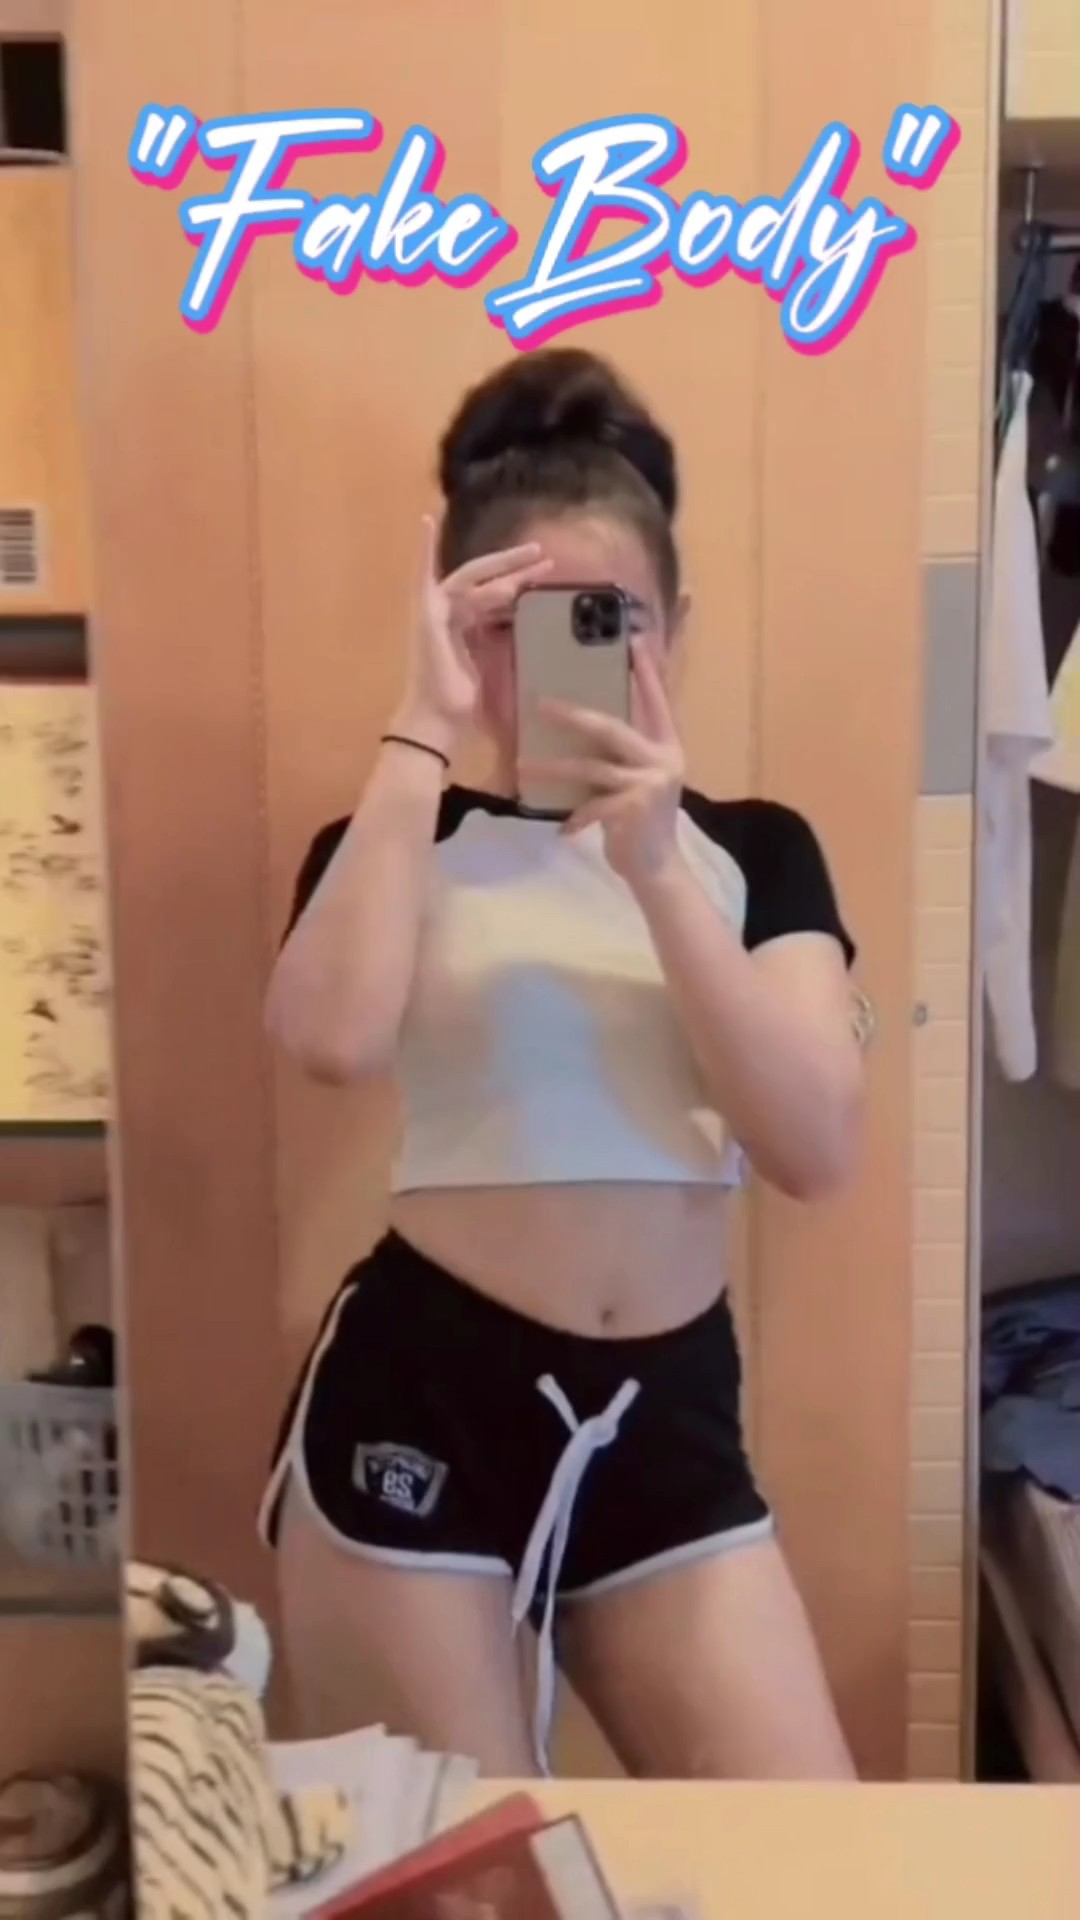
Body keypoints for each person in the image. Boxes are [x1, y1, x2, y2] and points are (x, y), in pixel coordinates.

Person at [258, 348, 864, 1782]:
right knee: (455, 1874)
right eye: (513, 624)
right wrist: (422, 725)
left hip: (665, 1417)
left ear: (675, 629)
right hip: (421, 1403)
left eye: (611, 621)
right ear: (457, 628)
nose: (565, 663)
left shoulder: (754, 853)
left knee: (807, 1853)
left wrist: (655, 870)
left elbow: (813, 1147)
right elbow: (328, 1040)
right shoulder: (393, 836)